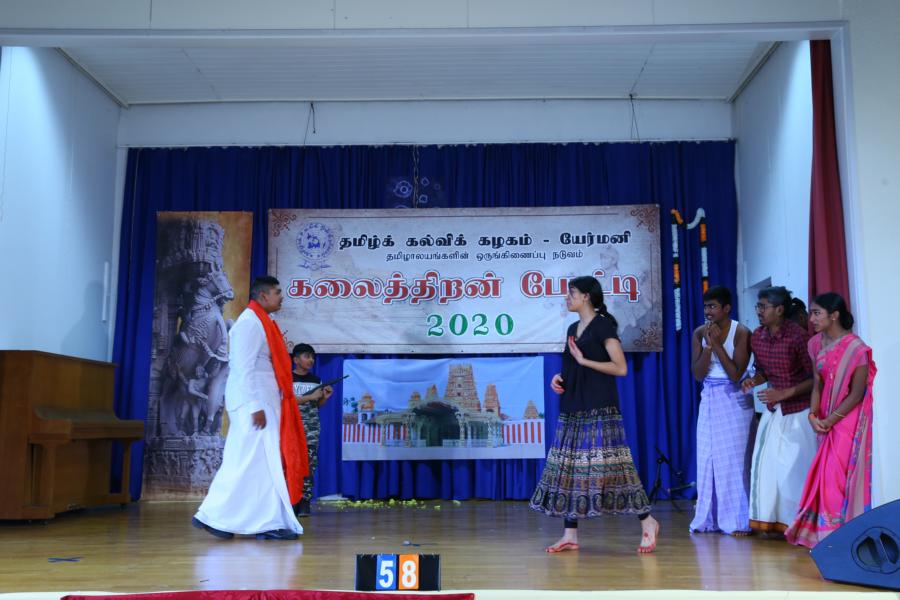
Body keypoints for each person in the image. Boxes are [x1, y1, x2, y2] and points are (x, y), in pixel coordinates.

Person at [530, 275, 659, 554]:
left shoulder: (603, 325)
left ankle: (647, 521)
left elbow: (620, 368)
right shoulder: (572, 328)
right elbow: (570, 368)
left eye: (572, 293)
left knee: (615, 467)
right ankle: (570, 534)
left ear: (586, 296)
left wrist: (584, 360)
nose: (567, 298)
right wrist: (558, 378)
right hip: (573, 405)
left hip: (600, 406)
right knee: (569, 469)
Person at [193, 275, 308, 540]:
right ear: (263, 295)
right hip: (253, 403)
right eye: (277, 292)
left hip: (263, 402)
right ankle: (218, 516)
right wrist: (255, 405)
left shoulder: (262, 321)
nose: (281, 296)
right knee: (248, 462)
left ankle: (239, 521)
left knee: (257, 463)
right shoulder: (249, 323)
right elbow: (242, 368)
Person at [786, 293, 876, 548]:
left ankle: (836, 536)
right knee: (825, 476)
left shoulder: (857, 349)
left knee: (834, 477)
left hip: (848, 419)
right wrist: (813, 415)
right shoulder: (815, 344)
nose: (811, 319)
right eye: (811, 313)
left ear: (834, 315)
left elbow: (857, 393)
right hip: (824, 419)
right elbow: (818, 384)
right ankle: (827, 535)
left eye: (817, 313)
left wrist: (831, 420)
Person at [742, 286, 816, 535]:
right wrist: (753, 381)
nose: (759, 311)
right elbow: (762, 370)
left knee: (794, 472)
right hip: (774, 412)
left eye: (763, 307)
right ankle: (774, 523)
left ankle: (799, 525)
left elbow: (814, 379)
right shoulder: (757, 336)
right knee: (767, 471)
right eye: (758, 306)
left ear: (780, 309)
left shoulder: (798, 337)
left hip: (798, 413)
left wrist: (783, 394)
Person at [689, 285, 754, 536]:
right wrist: (707, 346)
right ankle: (710, 518)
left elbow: (736, 374)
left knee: (733, 461)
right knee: (707, 458)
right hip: (709, 397)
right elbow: (697, 374)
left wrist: (716, 344)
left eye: (713, 306)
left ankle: (737, 520)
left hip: (734, 399)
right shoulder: (699, 333)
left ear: (727, 308)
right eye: (706, 306)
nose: (708, 311)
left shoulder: (741, 332)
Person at [291, 343, 333, 517]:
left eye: (312, 357)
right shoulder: (287, 378)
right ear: (296, 360)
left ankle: (304, 501)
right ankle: (292, 500)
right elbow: (286, 401)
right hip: (291, 428)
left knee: (309, 465)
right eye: (306, 356)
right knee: (291, 464)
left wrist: (325, 398)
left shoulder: (316, 380)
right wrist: (310, 396)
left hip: (311, 429)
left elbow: (317, 405)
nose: (311, 360)